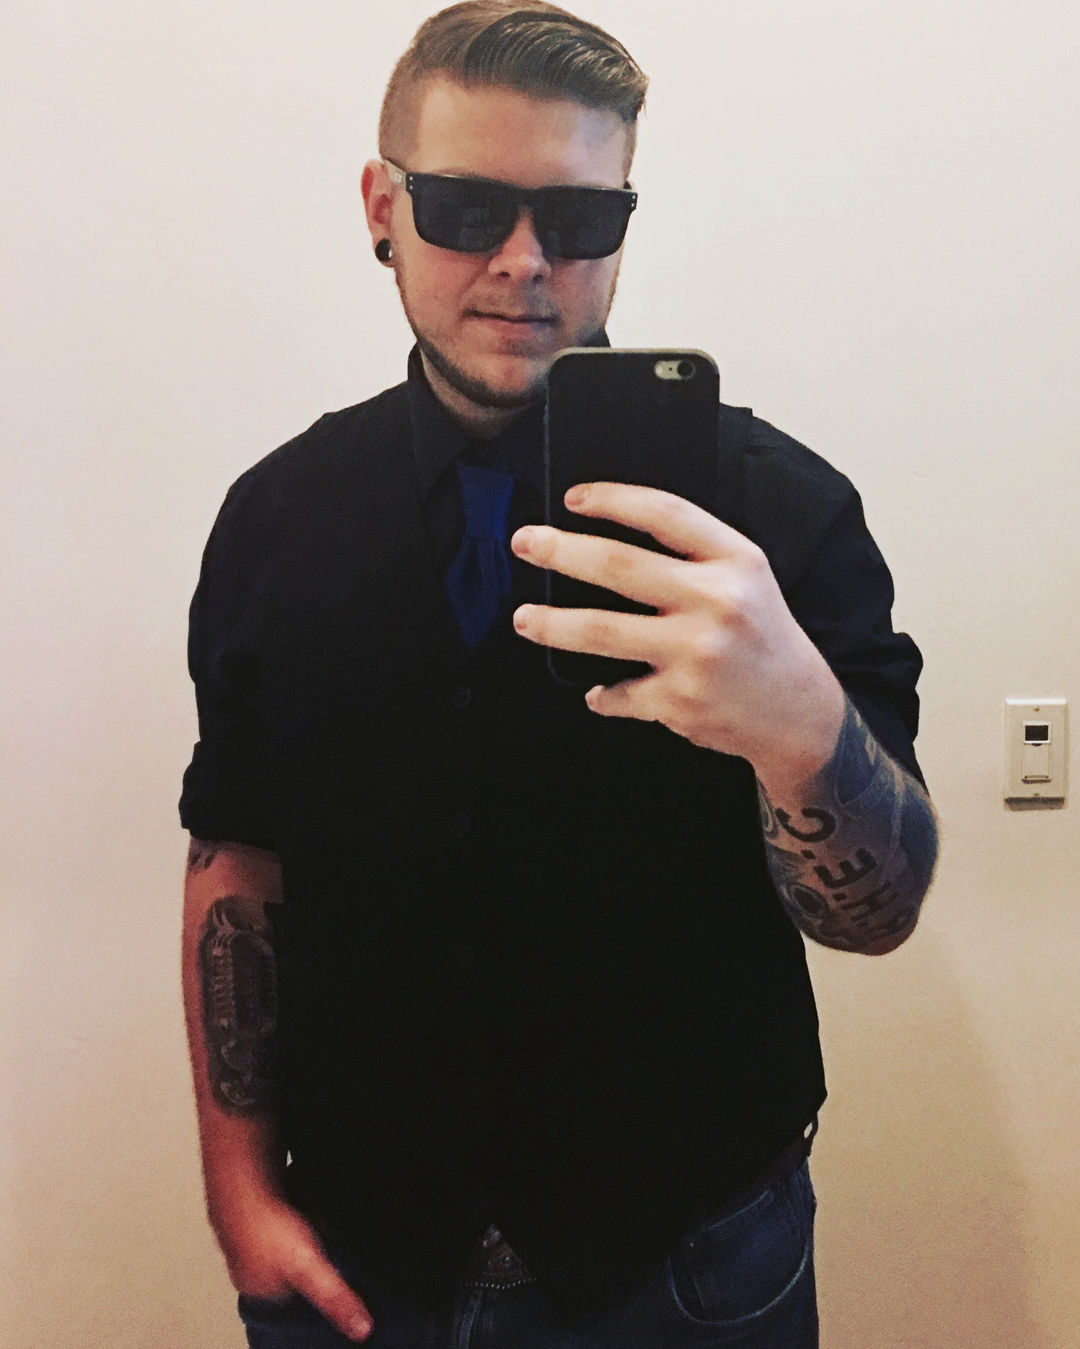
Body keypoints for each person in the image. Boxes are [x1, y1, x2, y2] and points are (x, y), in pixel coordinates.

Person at [179, 3, 939, 1346]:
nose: (525, 262)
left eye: (581, 220)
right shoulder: (277, 518)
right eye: (469, 208)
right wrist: (235, 1189)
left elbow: (879, 914)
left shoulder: (783, 516)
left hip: (691, 1261)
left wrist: (800, 727)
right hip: (362, 1258)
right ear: (382, 208)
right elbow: (239, 855)